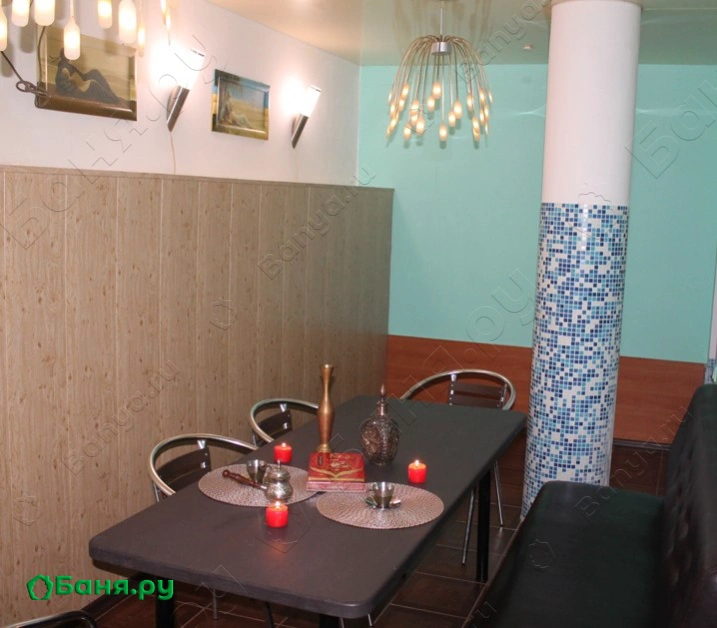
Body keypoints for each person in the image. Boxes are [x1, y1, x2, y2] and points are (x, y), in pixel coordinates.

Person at [54, 49, 123, 105]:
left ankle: (111, 94)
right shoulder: (63, 68)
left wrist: (82, 80)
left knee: (94, 73)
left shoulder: (67, 65)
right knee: (94, 85)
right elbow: (64, 86)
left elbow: (79, 76)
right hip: (76, 92)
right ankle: (112, 100)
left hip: (79, 84)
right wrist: (78, 87)